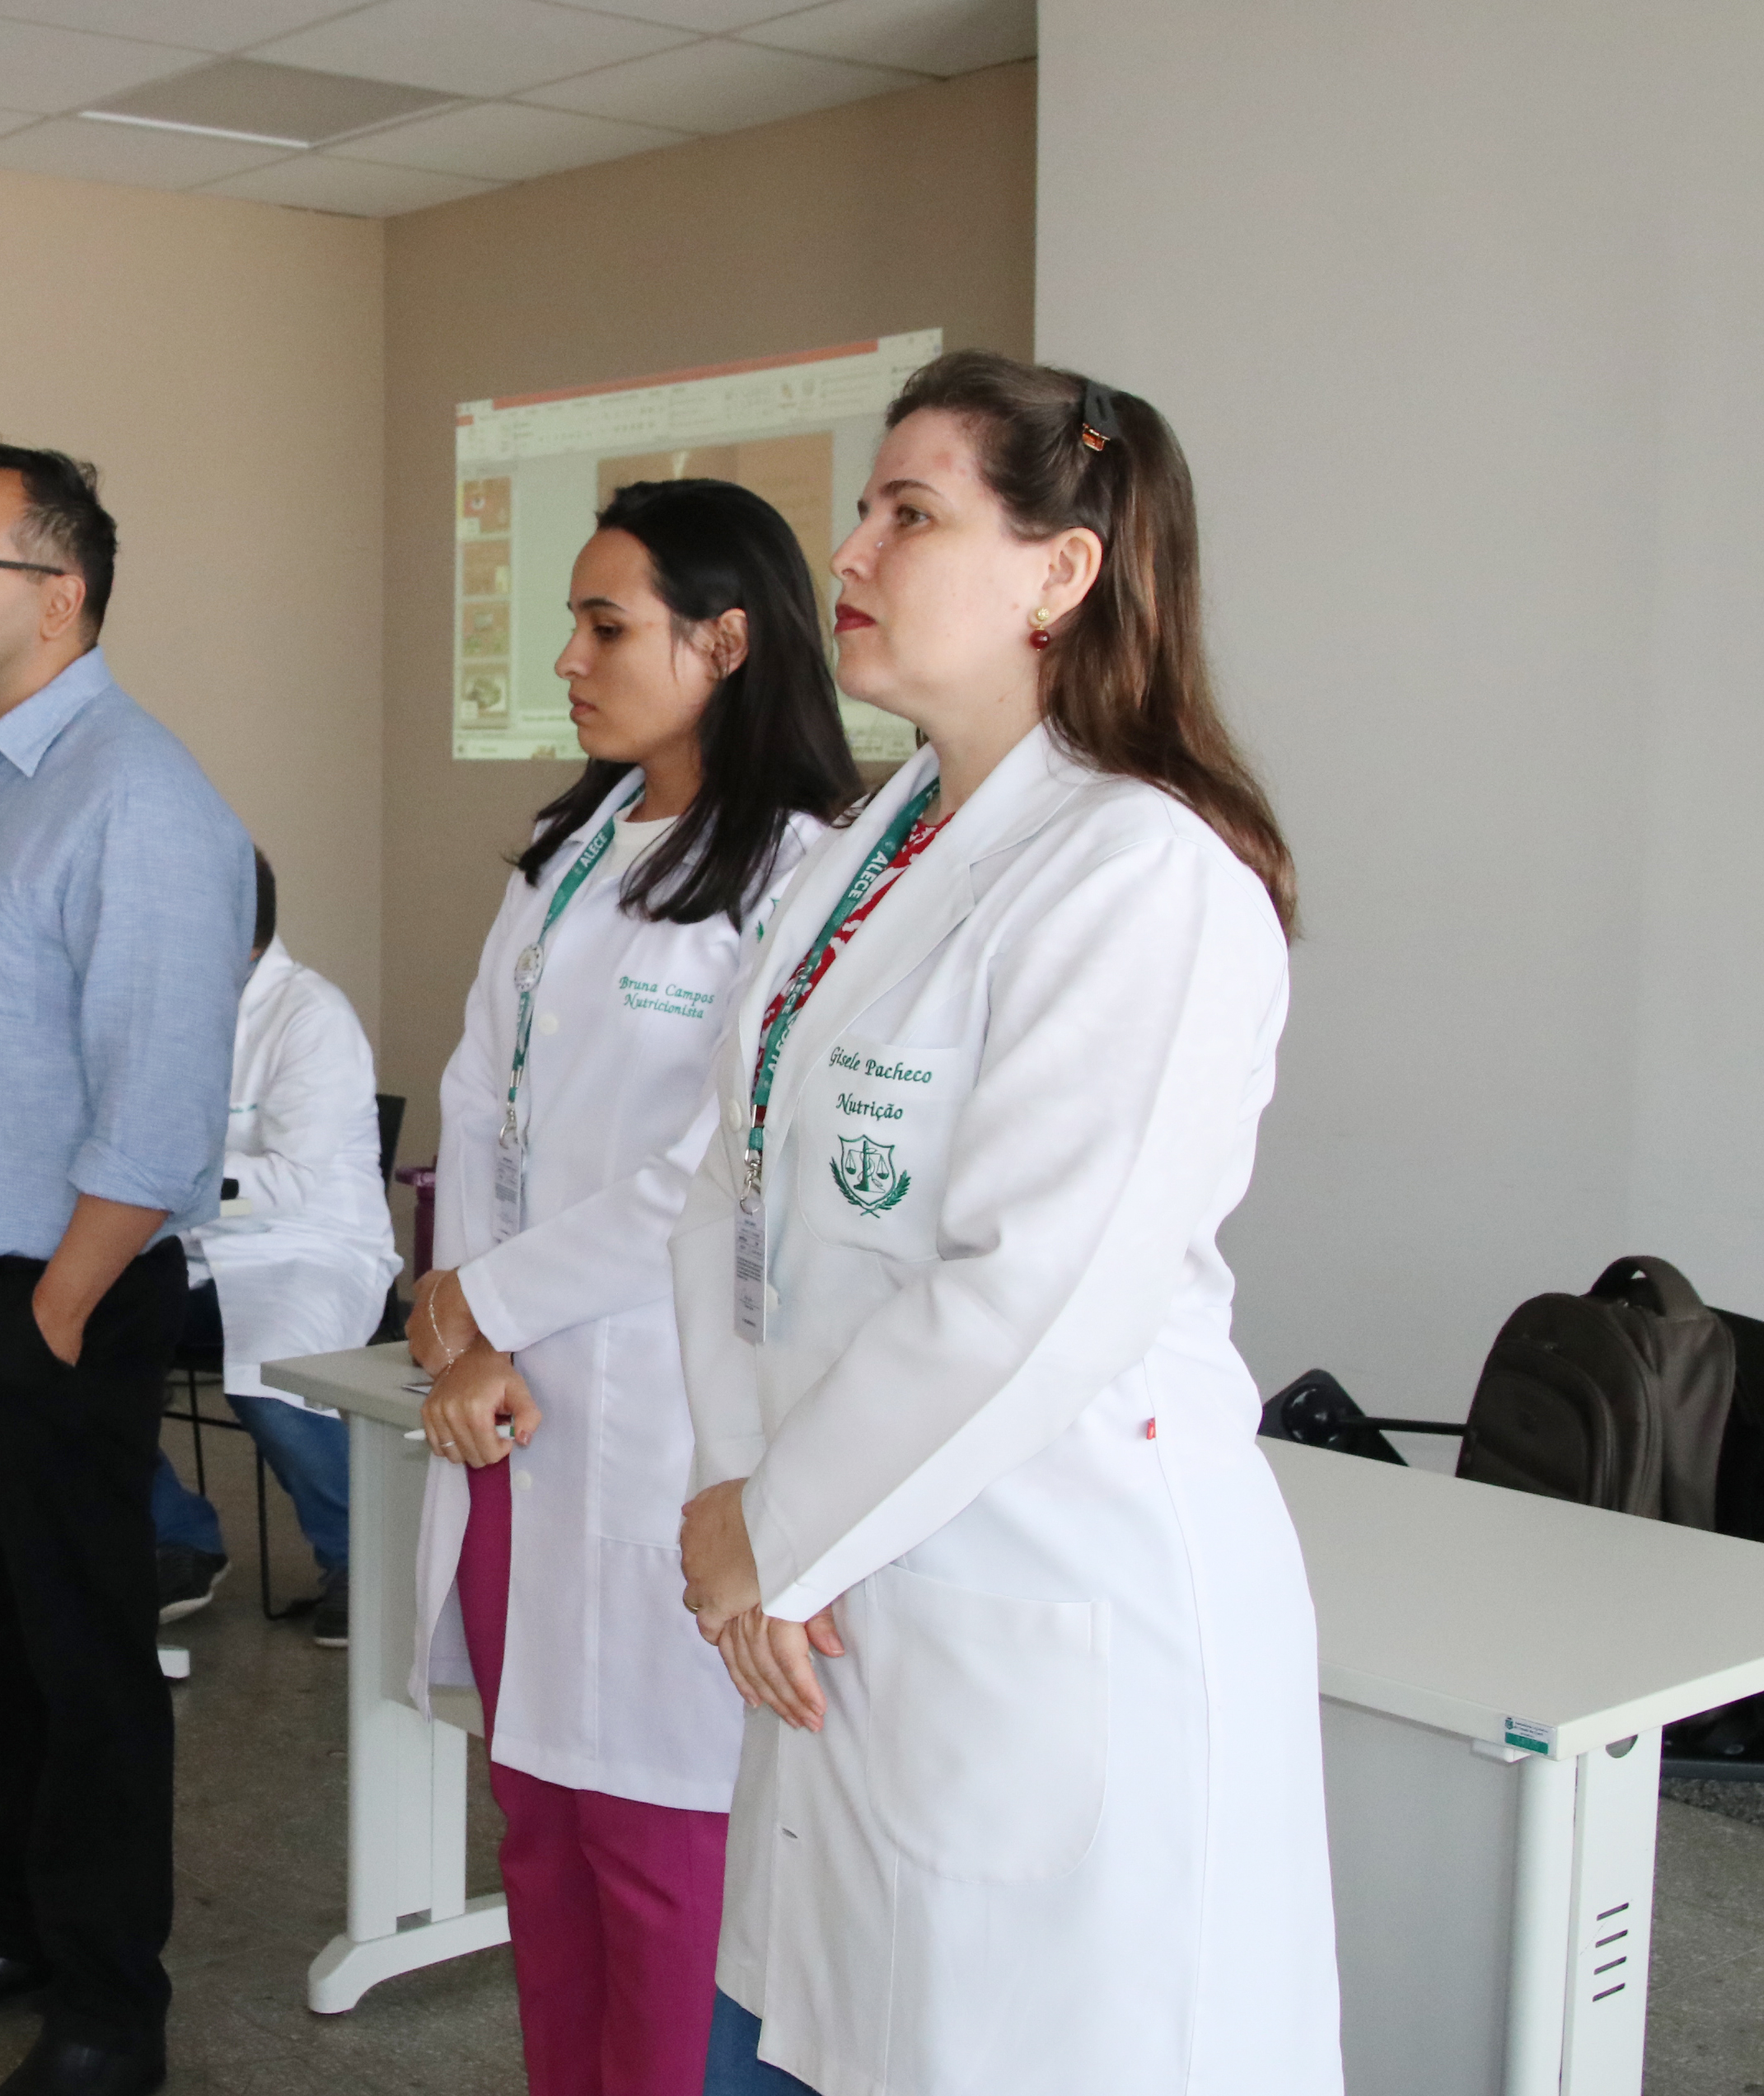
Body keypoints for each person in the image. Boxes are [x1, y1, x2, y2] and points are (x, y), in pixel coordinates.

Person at [671, 352, 1341, 2095]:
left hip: (1041, 1597)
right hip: (834, 1600)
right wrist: (746, 1507)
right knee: (806, 2027)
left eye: (910, 513)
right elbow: (726, 1190)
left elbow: (1035, 1294)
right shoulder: (866, 843)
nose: (849, 550)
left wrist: (774, 1528)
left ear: (1062, 571)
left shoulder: (1146, 874)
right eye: (862, 509)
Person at [409, 480, 862, 2096]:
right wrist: (463, 1327)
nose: (568, 660)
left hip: (670, 1427)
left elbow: (710, 1169)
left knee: (664, 1859)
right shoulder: (570, 851)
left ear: (724, 641)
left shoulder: (803, 874)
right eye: (571, 624)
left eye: (605, 626)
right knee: (541, 1832)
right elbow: (477, 1099)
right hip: (515, 1423)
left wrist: (490, 1302)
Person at [0, 440, 252, 2096]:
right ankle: (8, 1921)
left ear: (61, 595)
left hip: (51, 1299)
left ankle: (105, 2005)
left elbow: (158, 1111)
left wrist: (56, 1309)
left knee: (82, 1663)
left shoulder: (138, 800)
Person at [150, 848, 401, 1646]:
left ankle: (362, 1558)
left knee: (270, 1377)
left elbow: (290, 1180)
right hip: (192, 1250)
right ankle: (178, 1537)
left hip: (309, 1249)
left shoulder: (311, 1016)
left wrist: (161, 1177)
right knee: (77, 1345)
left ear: (241, 935)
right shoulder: (168, 1007)